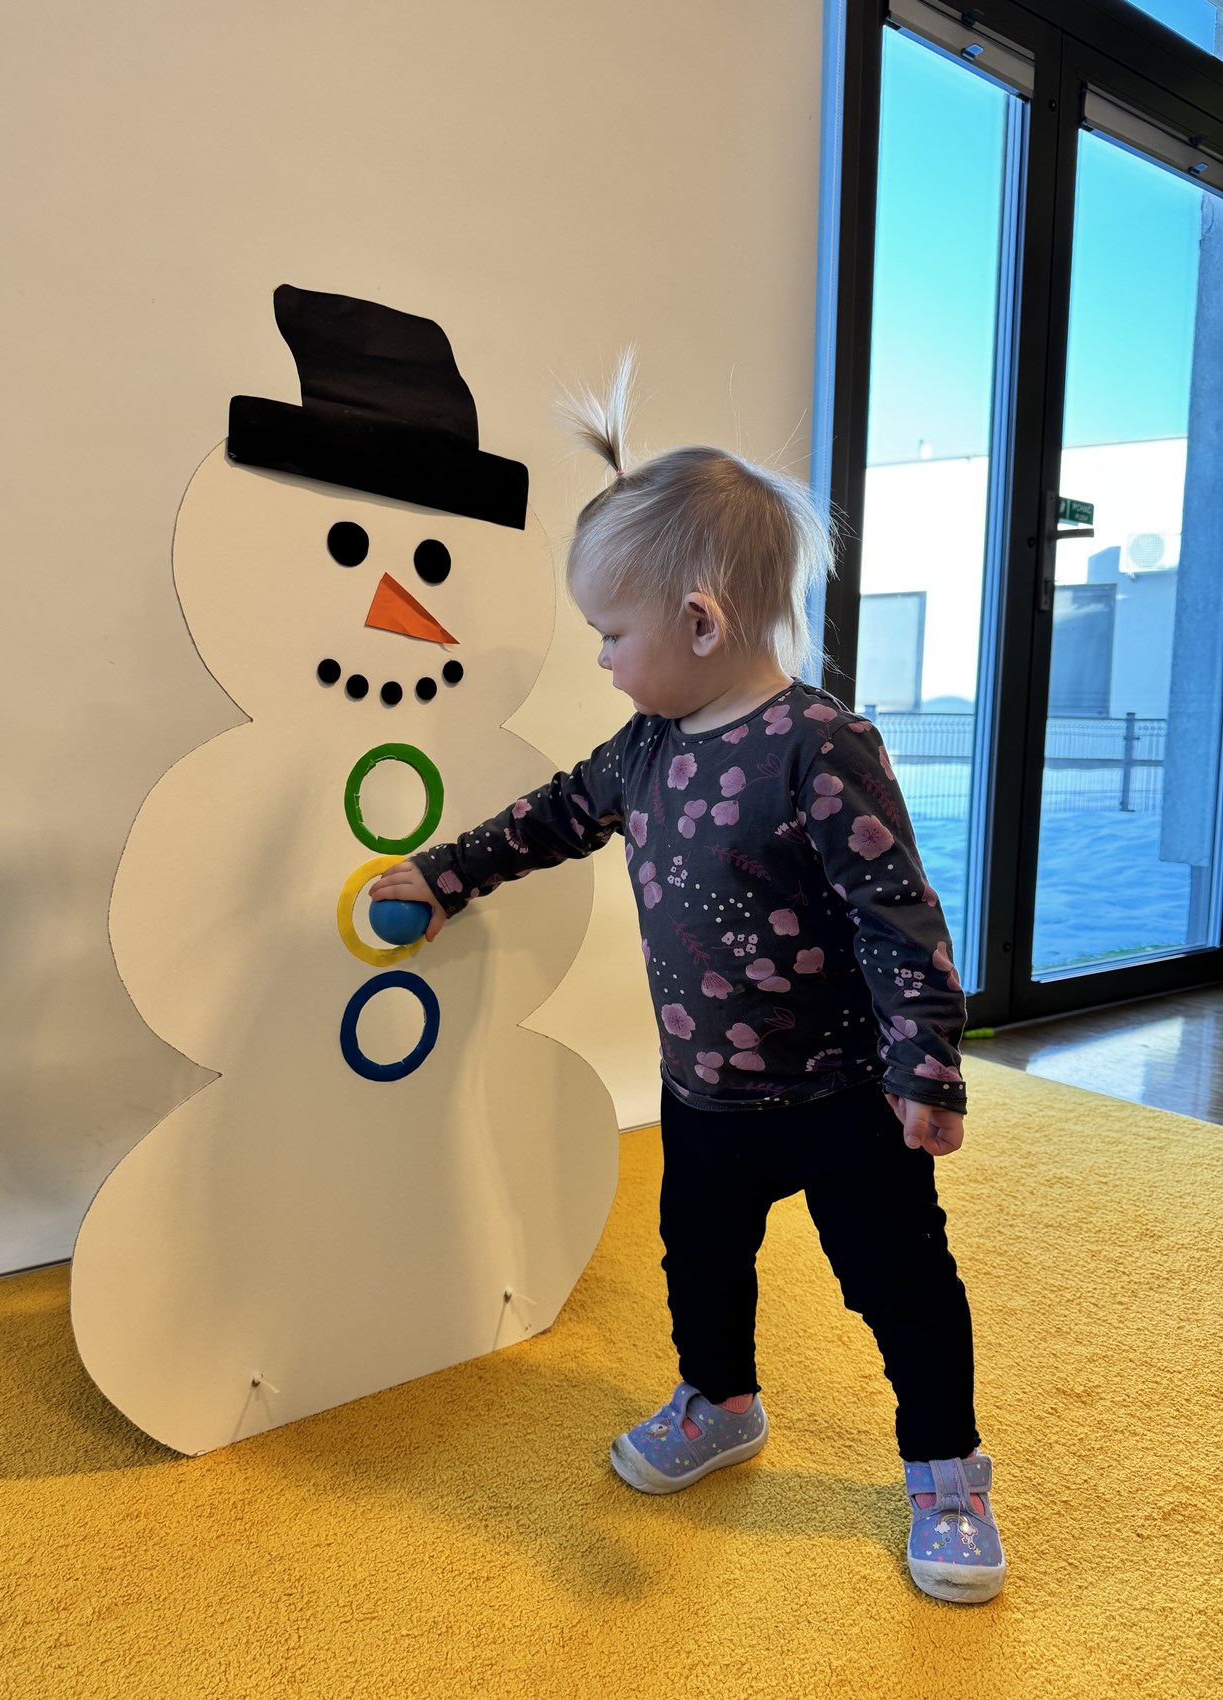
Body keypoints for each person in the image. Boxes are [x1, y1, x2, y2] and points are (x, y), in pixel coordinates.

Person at [369, 355, 1006, 1606]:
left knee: (901, 1283)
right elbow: (553, 815)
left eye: (614, 635)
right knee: (698, 1258)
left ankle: (946, 1470)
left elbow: (899, 918)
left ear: (703, 623)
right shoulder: (645, 748)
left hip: (843, 1095)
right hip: (706, 1089)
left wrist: (926, 1068)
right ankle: (721, 1399)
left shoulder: (820, 746)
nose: (604, 659)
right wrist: (445, 874)